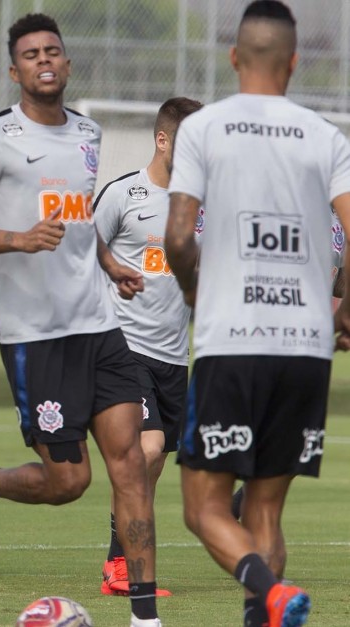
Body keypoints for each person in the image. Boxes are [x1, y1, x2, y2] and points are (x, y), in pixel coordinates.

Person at [0, 13, 162, 627]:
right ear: (15, 71)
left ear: (66, 63)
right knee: (69, 482)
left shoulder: (88, 133)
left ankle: (145, 618)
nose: (44, 60)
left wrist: (109, 265)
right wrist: (17, 238)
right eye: (31, 53)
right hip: (36, 339)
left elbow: (81, 226)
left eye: (53, 51)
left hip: (101, 328)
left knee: (132, 467)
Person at [165, 2, 350, 626]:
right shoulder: (326, 135)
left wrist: (193, 289)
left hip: (233, 339)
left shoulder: (204, 128)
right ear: (295, 62)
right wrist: (344, 308)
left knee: (204, 509)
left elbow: (178, 234)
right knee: (264, 512)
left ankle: (271, 593)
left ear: (234, 57)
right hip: (305, 346)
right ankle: (270, 606)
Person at [93, 96, 203, 598]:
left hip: (174, 356)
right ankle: (120, 566)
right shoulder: (123, 194)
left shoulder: (202, 206)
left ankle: (123, 554)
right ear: (162, 140)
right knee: (148, 448)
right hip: (123, 347)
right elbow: (81, 249)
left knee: (150, 466)